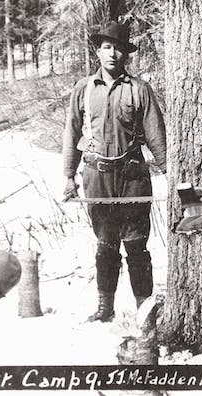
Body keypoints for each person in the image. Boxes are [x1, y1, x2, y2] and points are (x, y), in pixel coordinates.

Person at [62, 21, 167, 322]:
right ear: (97, 51)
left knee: (136, 244)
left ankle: (144, 310)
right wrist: (69, 175)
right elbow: (70, 133)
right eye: (107, 47)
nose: (113, 54)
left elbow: (156, 136)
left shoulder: (139, 90)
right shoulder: (83, 89)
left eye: (119, 48)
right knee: (105, 244)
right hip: (96, 177)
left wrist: (171, 175)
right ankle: (104, 308)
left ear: (126, 54)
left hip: (132, 177)